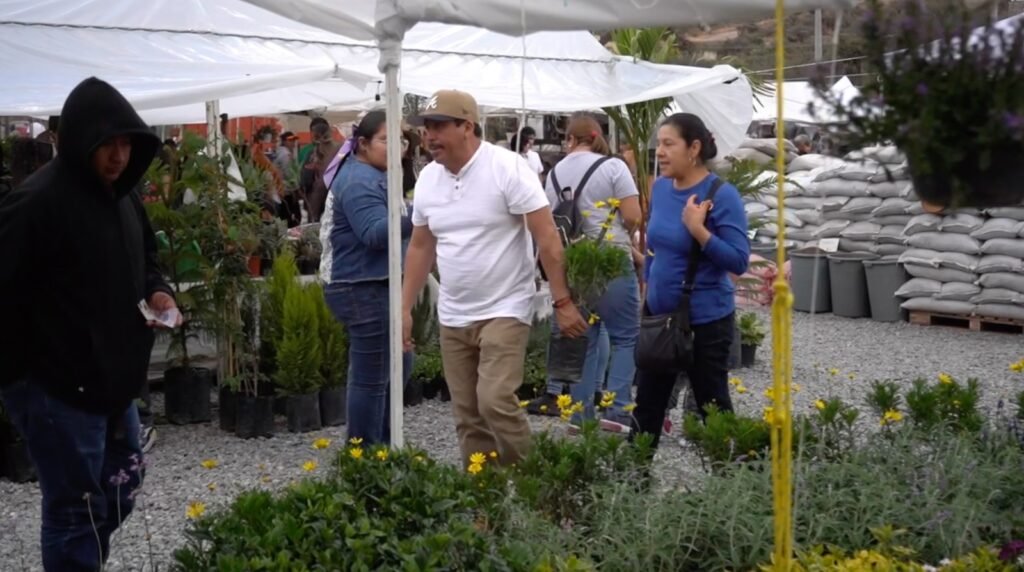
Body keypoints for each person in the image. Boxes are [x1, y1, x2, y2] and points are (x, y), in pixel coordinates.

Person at [0, 76, 178, 571]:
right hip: (56, 390)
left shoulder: (124, 196)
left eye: (126, 144)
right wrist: (23, 382)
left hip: (112, 383)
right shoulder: (36, 203)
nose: (119, 156)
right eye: (107, 144)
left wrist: (159, 292)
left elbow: (146, 261)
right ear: (80, 139)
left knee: (122, 484)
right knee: (74, 509)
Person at [401, 89, 587, 466]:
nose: (429, 136)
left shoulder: (507, 168)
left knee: (495, 401)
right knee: (468, 416)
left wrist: (562, 301)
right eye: (426, 127)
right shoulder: (428, 180)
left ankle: (534, 482)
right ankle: (487, 494)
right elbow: (421, 246)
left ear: (467, 126)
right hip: (454, 315)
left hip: (505, 307)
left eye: (438, 126)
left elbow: (547, 237)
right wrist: (404, 308)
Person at [631, 113, 749, 451]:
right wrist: (648, 286)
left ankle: (729, 478)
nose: (660, 152)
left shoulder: (721, 195)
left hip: (705, 323)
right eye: (659, 144)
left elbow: (738, 260)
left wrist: (699, 231)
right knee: (647, 407)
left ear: (694, 148)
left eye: (669, 144)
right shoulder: (662, 189)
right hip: (660, 319)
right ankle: (633, 477)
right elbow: (655, 248)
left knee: (713, 409)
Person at [526, 115, 642, 432]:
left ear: (570, 139)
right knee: (625, 337)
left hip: (573, 262)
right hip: (610, 259)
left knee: (583, 338)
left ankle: (580, 415)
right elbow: (633, 216)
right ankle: (618, 411)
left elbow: (547, 221)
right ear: (596, 137)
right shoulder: (614, 166)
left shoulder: (553, 173)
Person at [321, 110, 414, 446]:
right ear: (363, 143)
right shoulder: (360, 180)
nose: (398, 148)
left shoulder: (374, 173)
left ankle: (382, 447)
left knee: (397, 364)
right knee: (373, 376)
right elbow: (375, 233)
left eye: (401, 140)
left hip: (370, 283)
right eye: (387, 140)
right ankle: (365, 454)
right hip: (360, 286)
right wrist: (423, 213)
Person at [300, 121, 339, 223]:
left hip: (317, 200)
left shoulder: (311, 153)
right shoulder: (339, 151)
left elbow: (305, 181)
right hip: (336, 199)